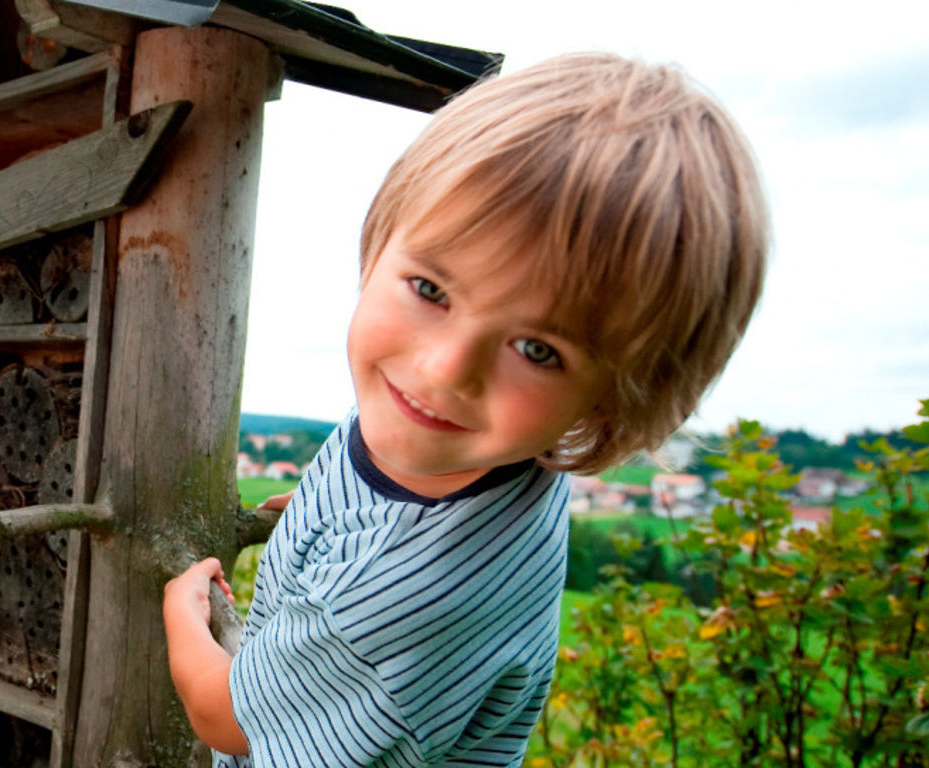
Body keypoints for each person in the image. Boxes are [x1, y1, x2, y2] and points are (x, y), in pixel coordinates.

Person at [163, 51, 768, 767]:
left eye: (538, 350)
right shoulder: (478, 444)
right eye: (430, 290)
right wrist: (328, 518)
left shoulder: (397, 599)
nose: (444, 369)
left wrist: (181, 607)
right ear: (381, 241)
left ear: (611, 402)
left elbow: (223, 716)